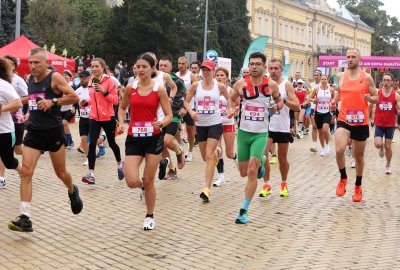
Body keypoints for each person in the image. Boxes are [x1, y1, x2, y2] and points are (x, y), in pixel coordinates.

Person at [8, 48, 83, 232]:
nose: (32, 66)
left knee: (61, 173)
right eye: (30, 62)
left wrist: (53, 102)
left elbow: (74, 96)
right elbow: (33, 98)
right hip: (33, 131)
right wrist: (22, 107)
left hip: (53, 131)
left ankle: (72, 190)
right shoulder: (30, 79)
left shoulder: (55, 77)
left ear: (45, 61)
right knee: (26, 172)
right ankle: (25, 217)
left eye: (36, 63)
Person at [117, 53, 172, 230]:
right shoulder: (130, 88)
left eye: (144, 67)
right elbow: (122, 107)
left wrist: (162, 123)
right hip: (134, 138)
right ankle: (143, 188)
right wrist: (121, 123)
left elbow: (170, 115)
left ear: (151, 69)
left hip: (153, 138)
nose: (140, 70)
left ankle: (149, 216)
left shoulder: (159, 89)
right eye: (137, 67)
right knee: (131, 181)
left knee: (149, 180)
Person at [228, 52, 282, 224]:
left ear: (264, 67)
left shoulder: (271, 85)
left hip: (260, 134)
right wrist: (232, 109)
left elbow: (280, 102)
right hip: (243, 133)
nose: (254, 67)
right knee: (243, 172)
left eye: (258, 64)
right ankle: (262, 161)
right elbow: (231, 100)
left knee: (252, 170)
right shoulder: (240, 84)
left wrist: (275, 107)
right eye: (251, 64)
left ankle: (243, 211)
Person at [331, 48, 378, 203]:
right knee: (339, 149)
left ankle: (358, 186)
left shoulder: (367, 78)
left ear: (360, 59)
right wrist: (334, 101)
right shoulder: (340, 76)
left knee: (358, 156)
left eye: (353, 57)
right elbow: (340, 93)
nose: (350, 59)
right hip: (344, 118)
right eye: (348, 57)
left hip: (361, 120)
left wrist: (370, 99)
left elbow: (376, 97)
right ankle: (343, 178)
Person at [184, 60, 230, 202]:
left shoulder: (220, 86)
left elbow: (231, 100)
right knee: (205, 157)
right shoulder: (196, 86)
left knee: (209, 157)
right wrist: (191, 112)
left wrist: (231, 109)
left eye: (208, 70)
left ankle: (206, 189)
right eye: (203, 70)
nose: (205, 72)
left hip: (215, 124)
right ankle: (216, 152)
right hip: (201, 125)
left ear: (213, 71)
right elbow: (185, 101)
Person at [259, 58, 299, 198]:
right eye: (271, 68)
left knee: (282, 158)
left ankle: (284, 183)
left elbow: (297, 106)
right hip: (266, 126)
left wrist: (284, 100)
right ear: (267, 69)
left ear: (282, 69)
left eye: (276, 68)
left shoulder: (286, 85)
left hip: (282, 126)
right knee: (263, 157)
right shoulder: (264, 84)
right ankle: (267, 184)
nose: (274, 71)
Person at [81, 58, 124, 184]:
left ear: (103, 67)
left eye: (96, 66)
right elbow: (93, 98)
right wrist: (86, 102)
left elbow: (115, 100)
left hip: (108, 117)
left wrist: (104, 91)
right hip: (94, 117)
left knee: (112, 143)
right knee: (92, 144)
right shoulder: (91, 80)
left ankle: (120, 165)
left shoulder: (109, 81)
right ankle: (91, 174)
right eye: (92, 66)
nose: (94, 69)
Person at [0, 55, 28, 187]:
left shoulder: (4, 84)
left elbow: (18, 103)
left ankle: (24, 173)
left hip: (4, 130)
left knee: (9, 161)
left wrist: (2, 108)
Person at [158, 57, 186, 180]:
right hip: (159, 116)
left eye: (165, 66)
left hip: (173, 115)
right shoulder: (154, 79)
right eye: (161, 65)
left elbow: (184, 97)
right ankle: (171, 169)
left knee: (167, 141)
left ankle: (179, 152)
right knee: (161, 145)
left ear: (170, 67)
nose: (162, 68)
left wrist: (183, 107)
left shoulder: (177, 81)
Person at [212, 67, 238, 187]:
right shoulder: (212, 90)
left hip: (228, 123)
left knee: (229, 153)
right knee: (217, 151)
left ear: (227, 77)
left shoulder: (231, 90)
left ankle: (236, 158)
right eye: (217, 75)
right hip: (215, 124)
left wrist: (232, 110)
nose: (219, 77)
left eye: (222, 75)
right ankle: (221, 177)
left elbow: (237, 105)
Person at [373, 73, 400, 174]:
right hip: (379, 123)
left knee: (388, 147)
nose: (386, 82)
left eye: (388, 80)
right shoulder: (377, 93)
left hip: (390, 124)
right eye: (384, 80)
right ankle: (381, 147)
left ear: (392, 82)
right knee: (377, 144)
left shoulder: (396, 96)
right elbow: (371, 103)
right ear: (382, 81)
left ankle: (388, 165)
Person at [176, 56, 198, 162]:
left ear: (187, 65)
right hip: (177, 106)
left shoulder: (192, 76)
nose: (180, 65)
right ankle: (180, 142)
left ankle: (190, 152)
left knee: (190, 130)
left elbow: (197, 91)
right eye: (179, 63)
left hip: (189, 106)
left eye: (183, 64)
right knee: (174, 127)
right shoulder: (175, 75)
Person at [309, 74, 335, 156]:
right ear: (321, 80)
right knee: (320, 132)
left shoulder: (331, 90)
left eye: (325, 79)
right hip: (318, 113)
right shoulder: (316, 89)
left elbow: (333, 99)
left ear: (327, 80)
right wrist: (314, 100)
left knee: (325, 129)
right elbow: (310, 98)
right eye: (322, 79)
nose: (323, 81)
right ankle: (323, 148)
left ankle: (327, 145)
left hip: (327, 113)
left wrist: (332, 104)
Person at [75, 70, 91, 165]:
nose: (82, 80)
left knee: (93, 140)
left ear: (89, 77)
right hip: (83, 118)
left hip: (93, 117)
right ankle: (89, 158)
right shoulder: (77, 91)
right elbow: (74, 101)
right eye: (81, 78)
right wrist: (73, 107)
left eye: (84, 78)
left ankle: (102, 144)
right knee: (83, 139)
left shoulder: (93, 89)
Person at [309, 70, 322, 152]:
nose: (316, 76)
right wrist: (313, 100)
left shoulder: (324, 84)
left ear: (320, 76)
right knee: (314, 126)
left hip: (322, 109)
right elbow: (310, 97)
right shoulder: (311, 85)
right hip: (313, 107)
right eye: (315, 75)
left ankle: (324, 144)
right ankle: (314, 145)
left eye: (317, 75)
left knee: (321, 129)